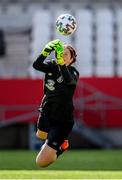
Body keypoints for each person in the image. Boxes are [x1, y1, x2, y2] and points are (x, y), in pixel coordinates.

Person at [33, 39, 79, 168]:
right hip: (46, 111)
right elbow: (36, 65)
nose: (62, 56)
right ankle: (55, 141)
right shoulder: (51, 65)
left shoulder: (73, 72)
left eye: (66, 54)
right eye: (61, 53)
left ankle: (61, 147)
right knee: (40, 134)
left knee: (41, 162)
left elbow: (69, 81)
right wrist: (45, 52)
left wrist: (61, 64)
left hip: (62, 120)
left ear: (71, 60)